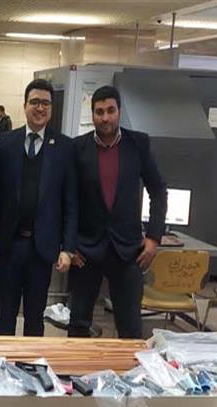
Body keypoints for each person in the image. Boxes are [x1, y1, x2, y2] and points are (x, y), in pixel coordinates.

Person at [67, 85, 168, 339]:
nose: (105, 117)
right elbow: (67, 200)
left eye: (110, 110)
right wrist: (69, 244)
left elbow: (158, 190)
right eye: (99, 112)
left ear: (119, 111)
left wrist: (154, 238)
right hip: (85, 250)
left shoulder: (138, 144)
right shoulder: (77, 148)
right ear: (92, 115)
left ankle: (128, 367)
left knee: (130, 329)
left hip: (128, 251)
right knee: (78, 325)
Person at [0, 79, 77, 336]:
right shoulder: (6, 143)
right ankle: (2, 361)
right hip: (9, 245)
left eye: (46, 103)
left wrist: (68, 248)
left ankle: (31, 361)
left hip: (42, 249)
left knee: (35, 317)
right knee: (5, 314)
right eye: (35, 102)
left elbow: (70, 202)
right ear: (25, 105)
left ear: (51, 108)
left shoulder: (65, 148)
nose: (40, 108)